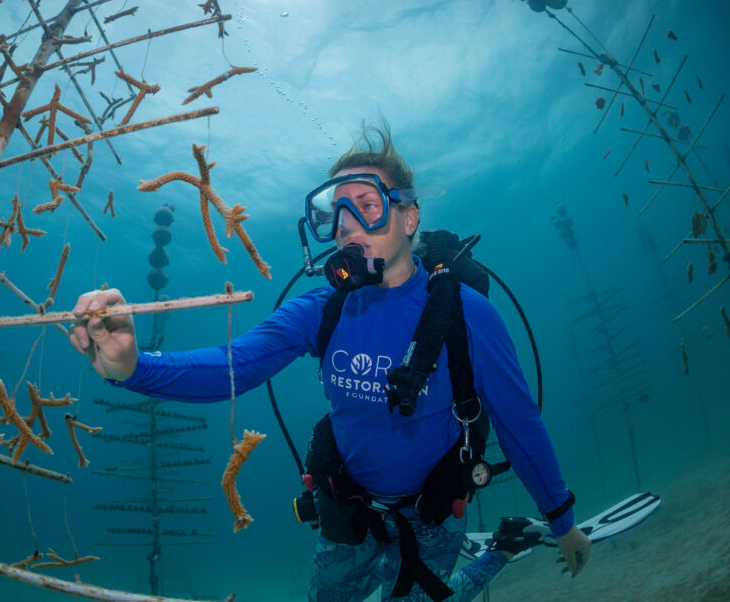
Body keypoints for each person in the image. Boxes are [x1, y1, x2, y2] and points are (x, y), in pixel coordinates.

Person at [70, 122, 591, 601]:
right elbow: (233, 366)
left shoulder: (467, 314)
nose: (345, 226)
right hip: (347, 504)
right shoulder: (324, 309)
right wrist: (132, 367)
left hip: (434, 508)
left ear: (409, 217)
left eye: (366, 204)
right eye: (334, 213)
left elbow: (518, 424)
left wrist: (562, 522)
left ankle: (502, 548)